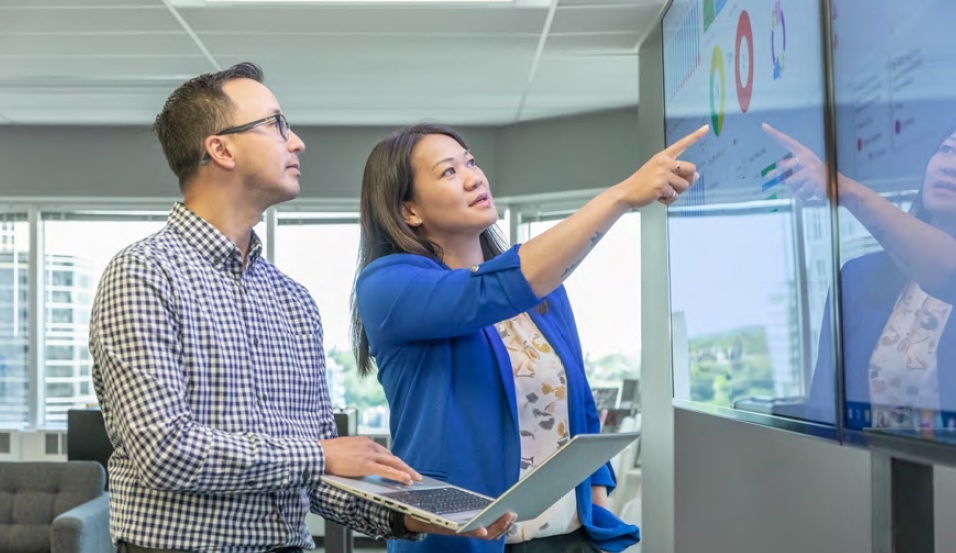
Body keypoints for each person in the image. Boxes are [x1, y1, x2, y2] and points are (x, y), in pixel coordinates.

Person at [89, 63, 513, 553]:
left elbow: (317, 480)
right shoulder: (143, 274)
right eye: (275, 125)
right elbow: (164, 452)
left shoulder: (291, 300)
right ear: (220, 149)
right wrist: (319, 455)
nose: (297, 143)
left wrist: (413, 519)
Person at [351, 122, 708, 552]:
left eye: (471, 161)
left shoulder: (544, 291)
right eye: (448, 172)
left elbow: (581, 406)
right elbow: (485, 292)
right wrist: (619, 197)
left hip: (569, 539)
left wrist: (593, 505)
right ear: (409, 210)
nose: (473, 177)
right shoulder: (388, 286)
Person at [763, 124, 956, 428]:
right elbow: (825, 410)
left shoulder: (943, 272)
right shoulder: (858, 277)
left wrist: (844, 188)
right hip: (868, 472)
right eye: (946, 149)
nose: (950, 165)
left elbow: (945, 269)